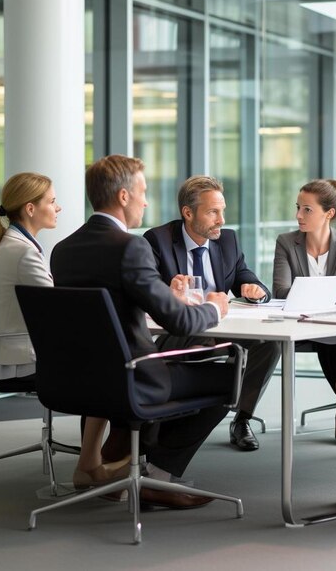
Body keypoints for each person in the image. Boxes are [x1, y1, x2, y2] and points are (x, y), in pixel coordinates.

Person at [51, 155, 234, 510]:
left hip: (77, 379)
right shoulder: (130, 247)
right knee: (228, 377)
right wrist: (215, 307)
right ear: (123, 196)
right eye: (142, 192)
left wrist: (169, 296)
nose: (145, 201)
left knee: (181, 363)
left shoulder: (63, 250)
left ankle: (111, 461)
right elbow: (179, 323)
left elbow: (117, 305)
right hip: (131, 379)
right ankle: (158, 476)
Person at [0, 173, 128, 491]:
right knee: (114, 365)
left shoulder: (17, 245)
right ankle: (91, 464)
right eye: (52, 201)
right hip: (26, 354)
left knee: (106, 357)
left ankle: (92, 462)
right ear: (31, 209)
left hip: (20, 346)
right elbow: (57, 312)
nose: (58, 208)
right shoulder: (23, 252)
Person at [144, 176, 280, 452]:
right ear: (188, 213)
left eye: (223, 211)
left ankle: (242, 418)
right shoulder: (157, 240)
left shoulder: (227, 241)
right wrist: (167, 290)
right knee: (209, 353)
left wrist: (255, 290)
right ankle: (174, 423)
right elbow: (148, 292)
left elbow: (246, 277)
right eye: (213, 212)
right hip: (178, 331)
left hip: (219, 329)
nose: (221, 219)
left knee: (270, 344)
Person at [272, 179, 336, 445]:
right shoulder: (286, 242)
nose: (298, 215)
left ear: (328, 213)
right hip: (299, 326)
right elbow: (281, 291)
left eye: (307, 209)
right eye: (298, 207)